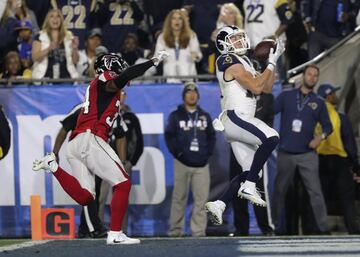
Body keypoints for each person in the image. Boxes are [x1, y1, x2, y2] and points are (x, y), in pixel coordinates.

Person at [32, 50, 169, 245]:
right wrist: (152, 62)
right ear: (111, 66)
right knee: (123, 184)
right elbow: (125, 76)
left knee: (86, 197)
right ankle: (115, 233)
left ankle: (52, 166)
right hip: (91, 139)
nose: (122, 69)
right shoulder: (105, 80)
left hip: (76, 145)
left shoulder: (97, 87)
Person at [204, 25, 284, 225]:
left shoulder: (246, 61)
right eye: (234, 39)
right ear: (224, 45)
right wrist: (271, 63)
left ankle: (219, 204)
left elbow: (266, 87)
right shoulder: (227, 59)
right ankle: (247, 186)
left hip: (240, 119)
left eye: (241, 37)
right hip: (235, 116)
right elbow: (256, 87)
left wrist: (271, 62)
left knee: (252, 172)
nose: (240, 42)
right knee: (271, 137)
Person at [272, 64, 333, 235]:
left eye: (315, 75)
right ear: (302, 76)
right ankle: (274, 226)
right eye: (309, 74)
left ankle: (323, 228)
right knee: (279, 191)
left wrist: (320, 138)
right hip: (286, 153)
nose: (312, 78)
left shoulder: (319, 102)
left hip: (307, 154)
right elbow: (270, 113)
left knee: (316, 192)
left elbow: (328, 127)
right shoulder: (286, 96)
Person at [165, 82, 216, 237]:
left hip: (202, 165)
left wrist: (207, 154)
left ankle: (198, 231)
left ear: (198, 96)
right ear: (184, 96)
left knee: (201, 200)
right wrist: (179, 155)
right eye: (188, 92)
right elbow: (169, 136)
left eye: (194, 92)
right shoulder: (176, 115)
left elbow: (211, 137)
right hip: (182, 163)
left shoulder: (204, 116)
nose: (192, 94)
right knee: (179, 198)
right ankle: (175, 230)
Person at [52, 103, 107, 238]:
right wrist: (55, 153)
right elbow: (64, 129)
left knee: (95, 191)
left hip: (98, 153)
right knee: (88, 190)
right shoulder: (83, 108)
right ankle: (95, 228)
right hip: (81, 151)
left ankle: (84, 228)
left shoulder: (111, 108)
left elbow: (119, 134)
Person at [98, 89, 144, 234]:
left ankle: (120, 230)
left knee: (121, 199)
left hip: (122, 163)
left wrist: (130, 161)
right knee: (100, 198)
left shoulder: (131, 117)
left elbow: (139, 142)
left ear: (125, 96)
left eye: (123, 93)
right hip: (104, 162)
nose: (120, 95)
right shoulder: (103, 113)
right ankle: (97, 229)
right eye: (117, 93)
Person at [316, 84, 360, 234]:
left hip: (319, 160)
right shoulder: (339, 117)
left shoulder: (314, 116)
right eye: (333, 93)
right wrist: (355, 165)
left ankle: (318, 229)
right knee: (347, 196)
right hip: (338, 160)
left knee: (320, 196)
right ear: (328, 96)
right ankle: (352, 229)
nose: (335, 95)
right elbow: (349, 143)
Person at [229, 92, 275, 236]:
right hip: (237, 146)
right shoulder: (235, 95)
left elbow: (268, 124)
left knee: (259, 188)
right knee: (237, 187)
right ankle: (241, 228)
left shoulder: (266, 98)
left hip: (256, 148)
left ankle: (265, 227)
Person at [154, 9, 202, 83]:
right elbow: (156, 58)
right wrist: (160, 56)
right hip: (170, 78)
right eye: (174, 18)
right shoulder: (162, 37)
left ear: (183, 22)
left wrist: (195, 56)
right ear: (170, 21)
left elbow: (198, 55)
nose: (177, 21)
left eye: (180, 18)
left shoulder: (191, 35)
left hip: (188, 77)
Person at [31, 9, 79, 80]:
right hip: (44, 78)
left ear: (61, 20)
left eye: (58, 16)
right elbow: (35, 57)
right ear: (48, 20)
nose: (55, 19)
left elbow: (75, 61)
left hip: (66, 79)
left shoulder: (69, 36)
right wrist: (48, 49)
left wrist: (75, 48)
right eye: (52, 16)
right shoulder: (40, 36)